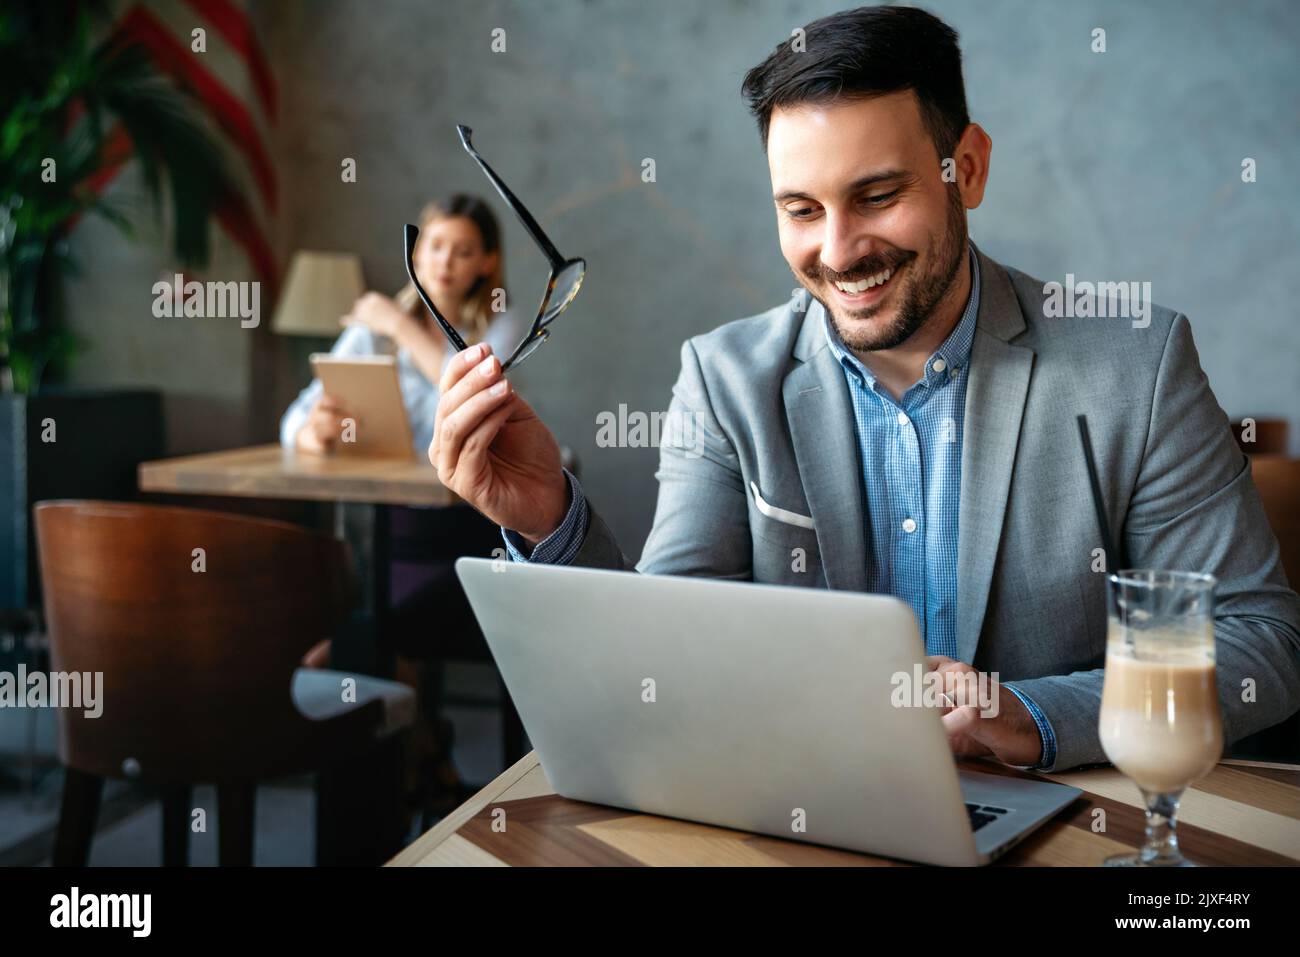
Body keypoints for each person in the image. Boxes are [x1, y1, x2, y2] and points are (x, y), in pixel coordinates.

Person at [425, 6, 1300, 774]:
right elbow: (662, 665)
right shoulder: (724, 380)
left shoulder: (1137, 368)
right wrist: (550, 519)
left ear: (970, 168)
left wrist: (1035, 716)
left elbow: (1265, 644)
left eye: (877, 195)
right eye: (801, 210)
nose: (839, 251)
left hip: (1059, 819)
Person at [280, 194, 521, 818]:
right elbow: (298, 415)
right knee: (355, 625)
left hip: (466, 535)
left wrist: (397, 325)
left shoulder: (501, 321)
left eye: (463, 251)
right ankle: (424, 760)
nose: (445, 262)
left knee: (363, 635)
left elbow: (465, 379)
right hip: (386, 530)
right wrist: (315, 432)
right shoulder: (372, 327)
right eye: (436, 245)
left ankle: (405, 776)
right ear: (417, 251)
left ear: (486, 263)